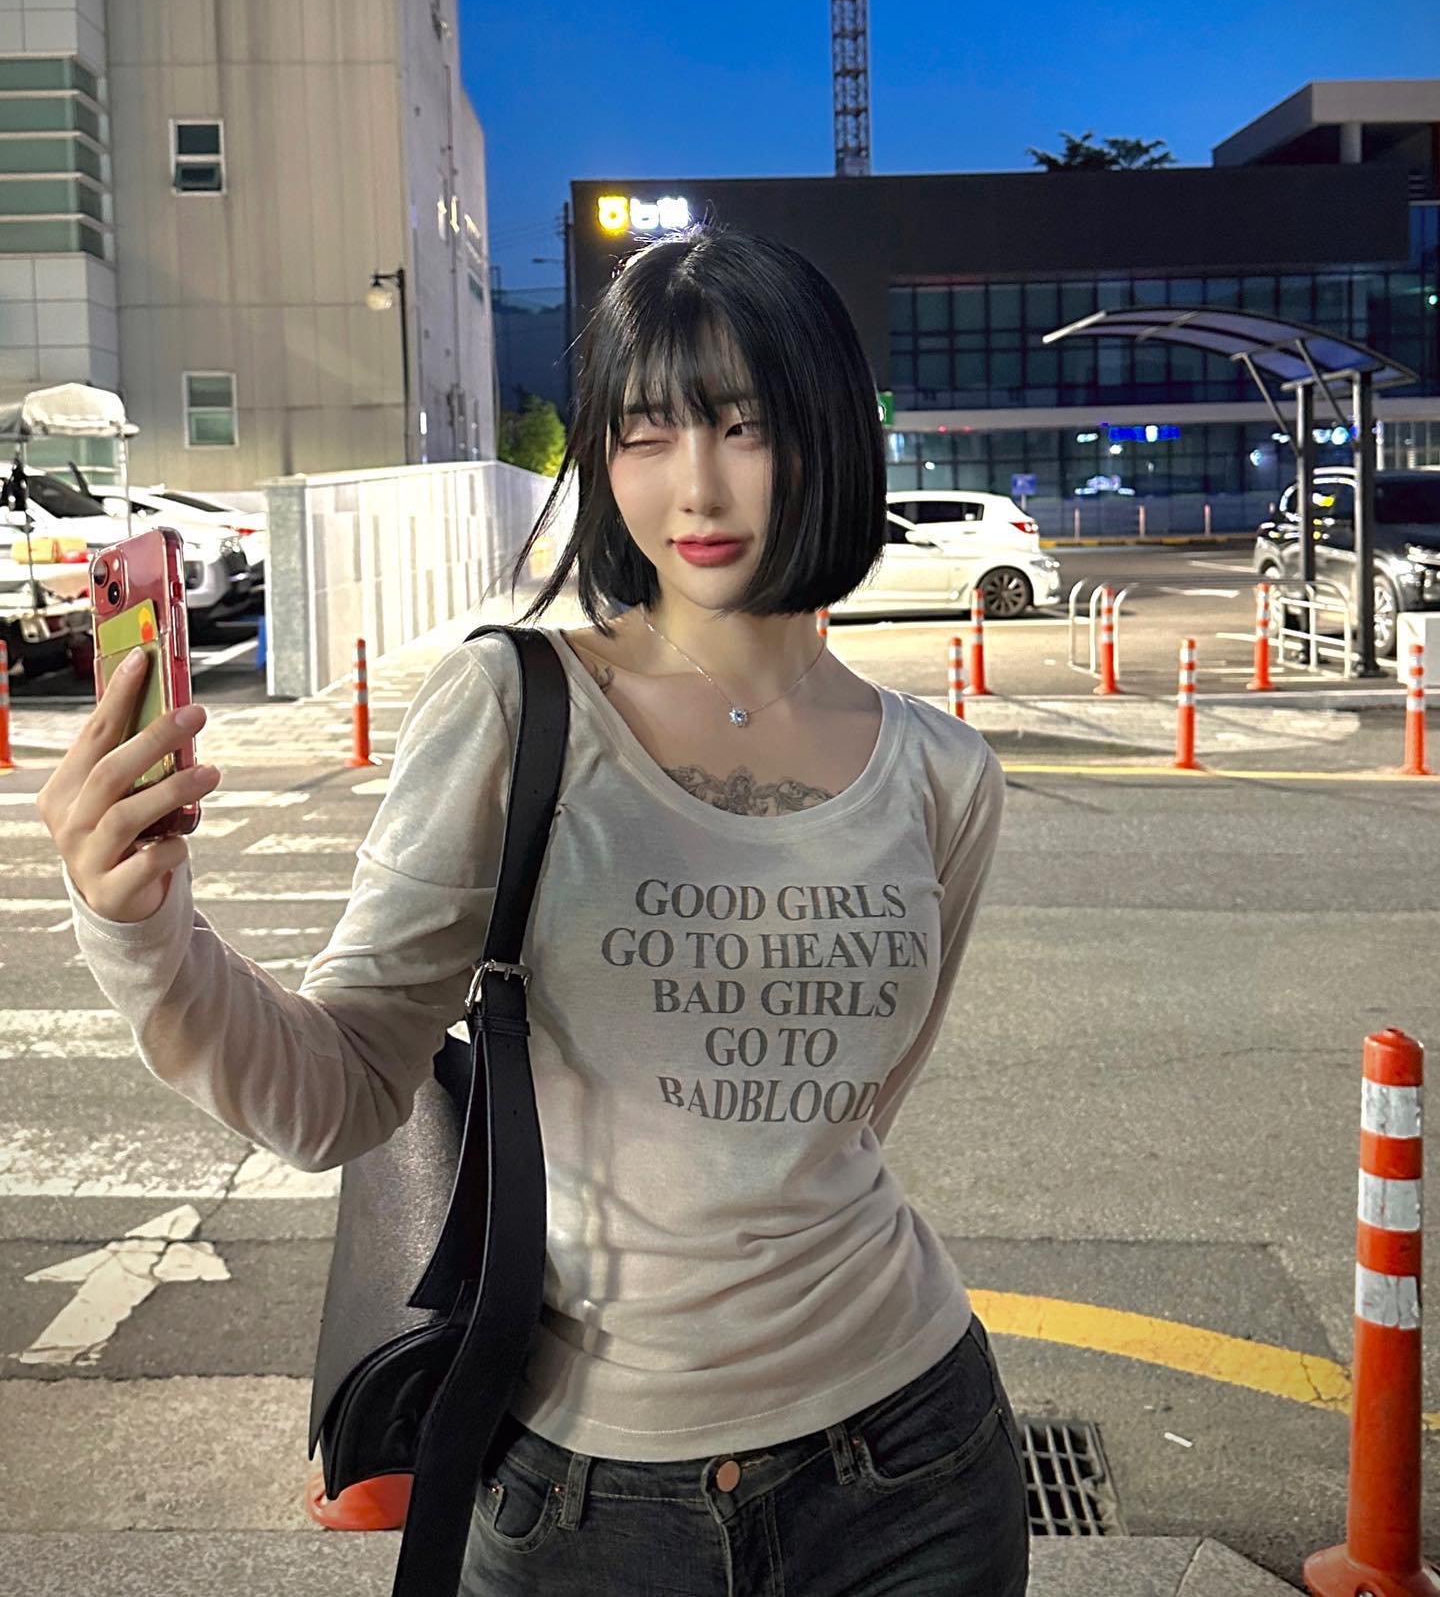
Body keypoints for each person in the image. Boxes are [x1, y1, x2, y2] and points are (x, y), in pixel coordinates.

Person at [38, 224, 1027, 1595]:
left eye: (745, 426)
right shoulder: (517, 709)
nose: (695, 485)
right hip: (591, 1498)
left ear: (829, 439)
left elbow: (847, 1125)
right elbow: (340, 1092)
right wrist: (143, 933)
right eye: (642, 433)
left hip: (917, 1459)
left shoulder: (944, 775)